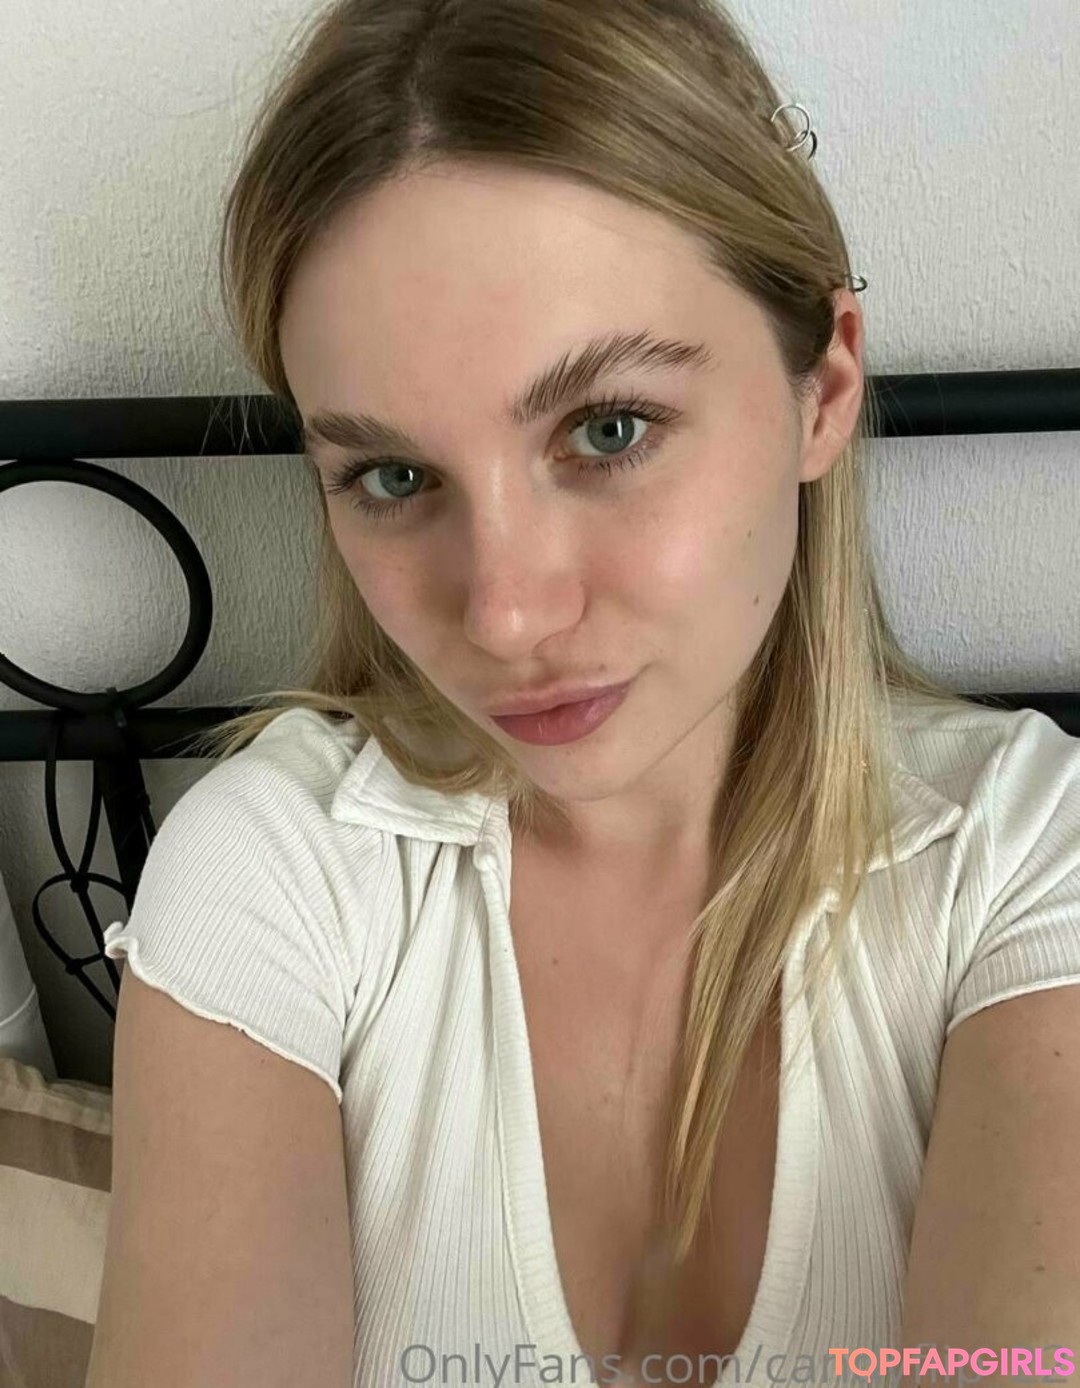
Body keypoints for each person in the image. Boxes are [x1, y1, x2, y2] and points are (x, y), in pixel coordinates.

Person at [88, 2, 1080, 1386]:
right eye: (393, 477)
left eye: (609, 430)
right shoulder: (281, 874)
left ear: (822, 388)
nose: (505, 615)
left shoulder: (1025, 859)